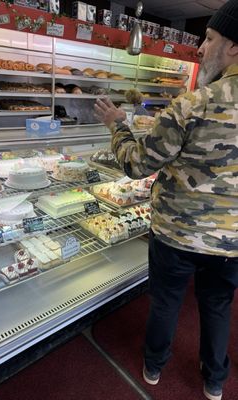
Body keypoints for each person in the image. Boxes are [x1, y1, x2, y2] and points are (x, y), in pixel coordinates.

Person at [94, 1, 238, 399]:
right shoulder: (192, 100)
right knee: (217, 306)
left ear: (234, 47)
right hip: (231, 242)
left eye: (209, 39)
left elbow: (138, 164)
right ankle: (214, 382)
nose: (201, 48)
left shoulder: (194, 103)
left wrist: (117, 126)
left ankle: (154, 367)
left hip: (176, 234)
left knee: (166, 302)